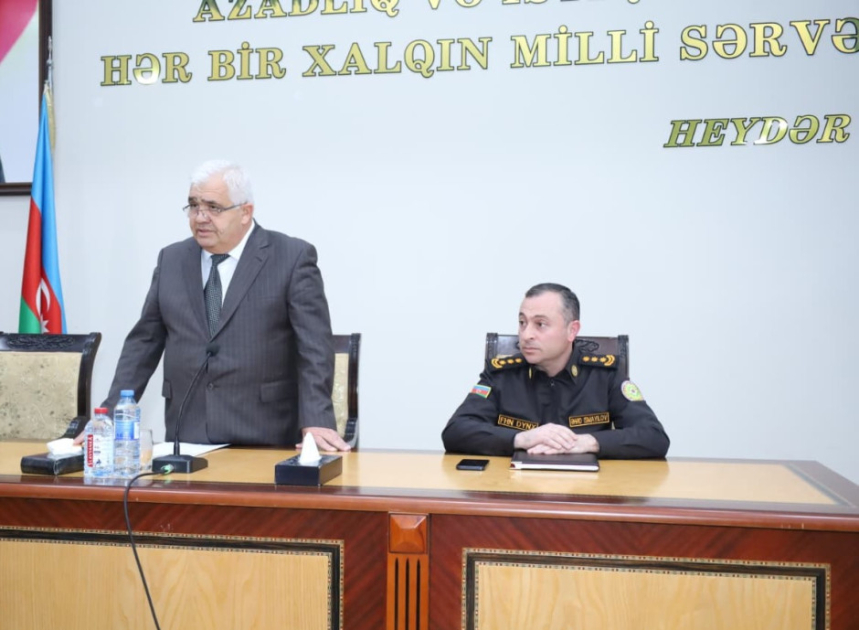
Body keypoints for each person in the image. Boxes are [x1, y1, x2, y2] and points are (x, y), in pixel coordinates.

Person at [100, 160, 349, 451]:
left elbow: (314, 347)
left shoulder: (291, 257)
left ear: (245, 212)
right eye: (194, 206)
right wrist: (110, 416)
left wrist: (316, 420)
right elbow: (144, 342)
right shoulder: (172, 260)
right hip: (187, 434)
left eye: (213, 207)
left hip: (265, 436)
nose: (200, 217)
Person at [442, 283, 669, 458]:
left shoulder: (604, 375)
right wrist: (522, 438)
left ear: (572, 330)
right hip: (515, 491)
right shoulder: (501, 375)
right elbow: (456, 431)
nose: (526, 335)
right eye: (522, 322)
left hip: (586, 493)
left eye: (540, 324)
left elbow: (654, 437)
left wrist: (588, 442)